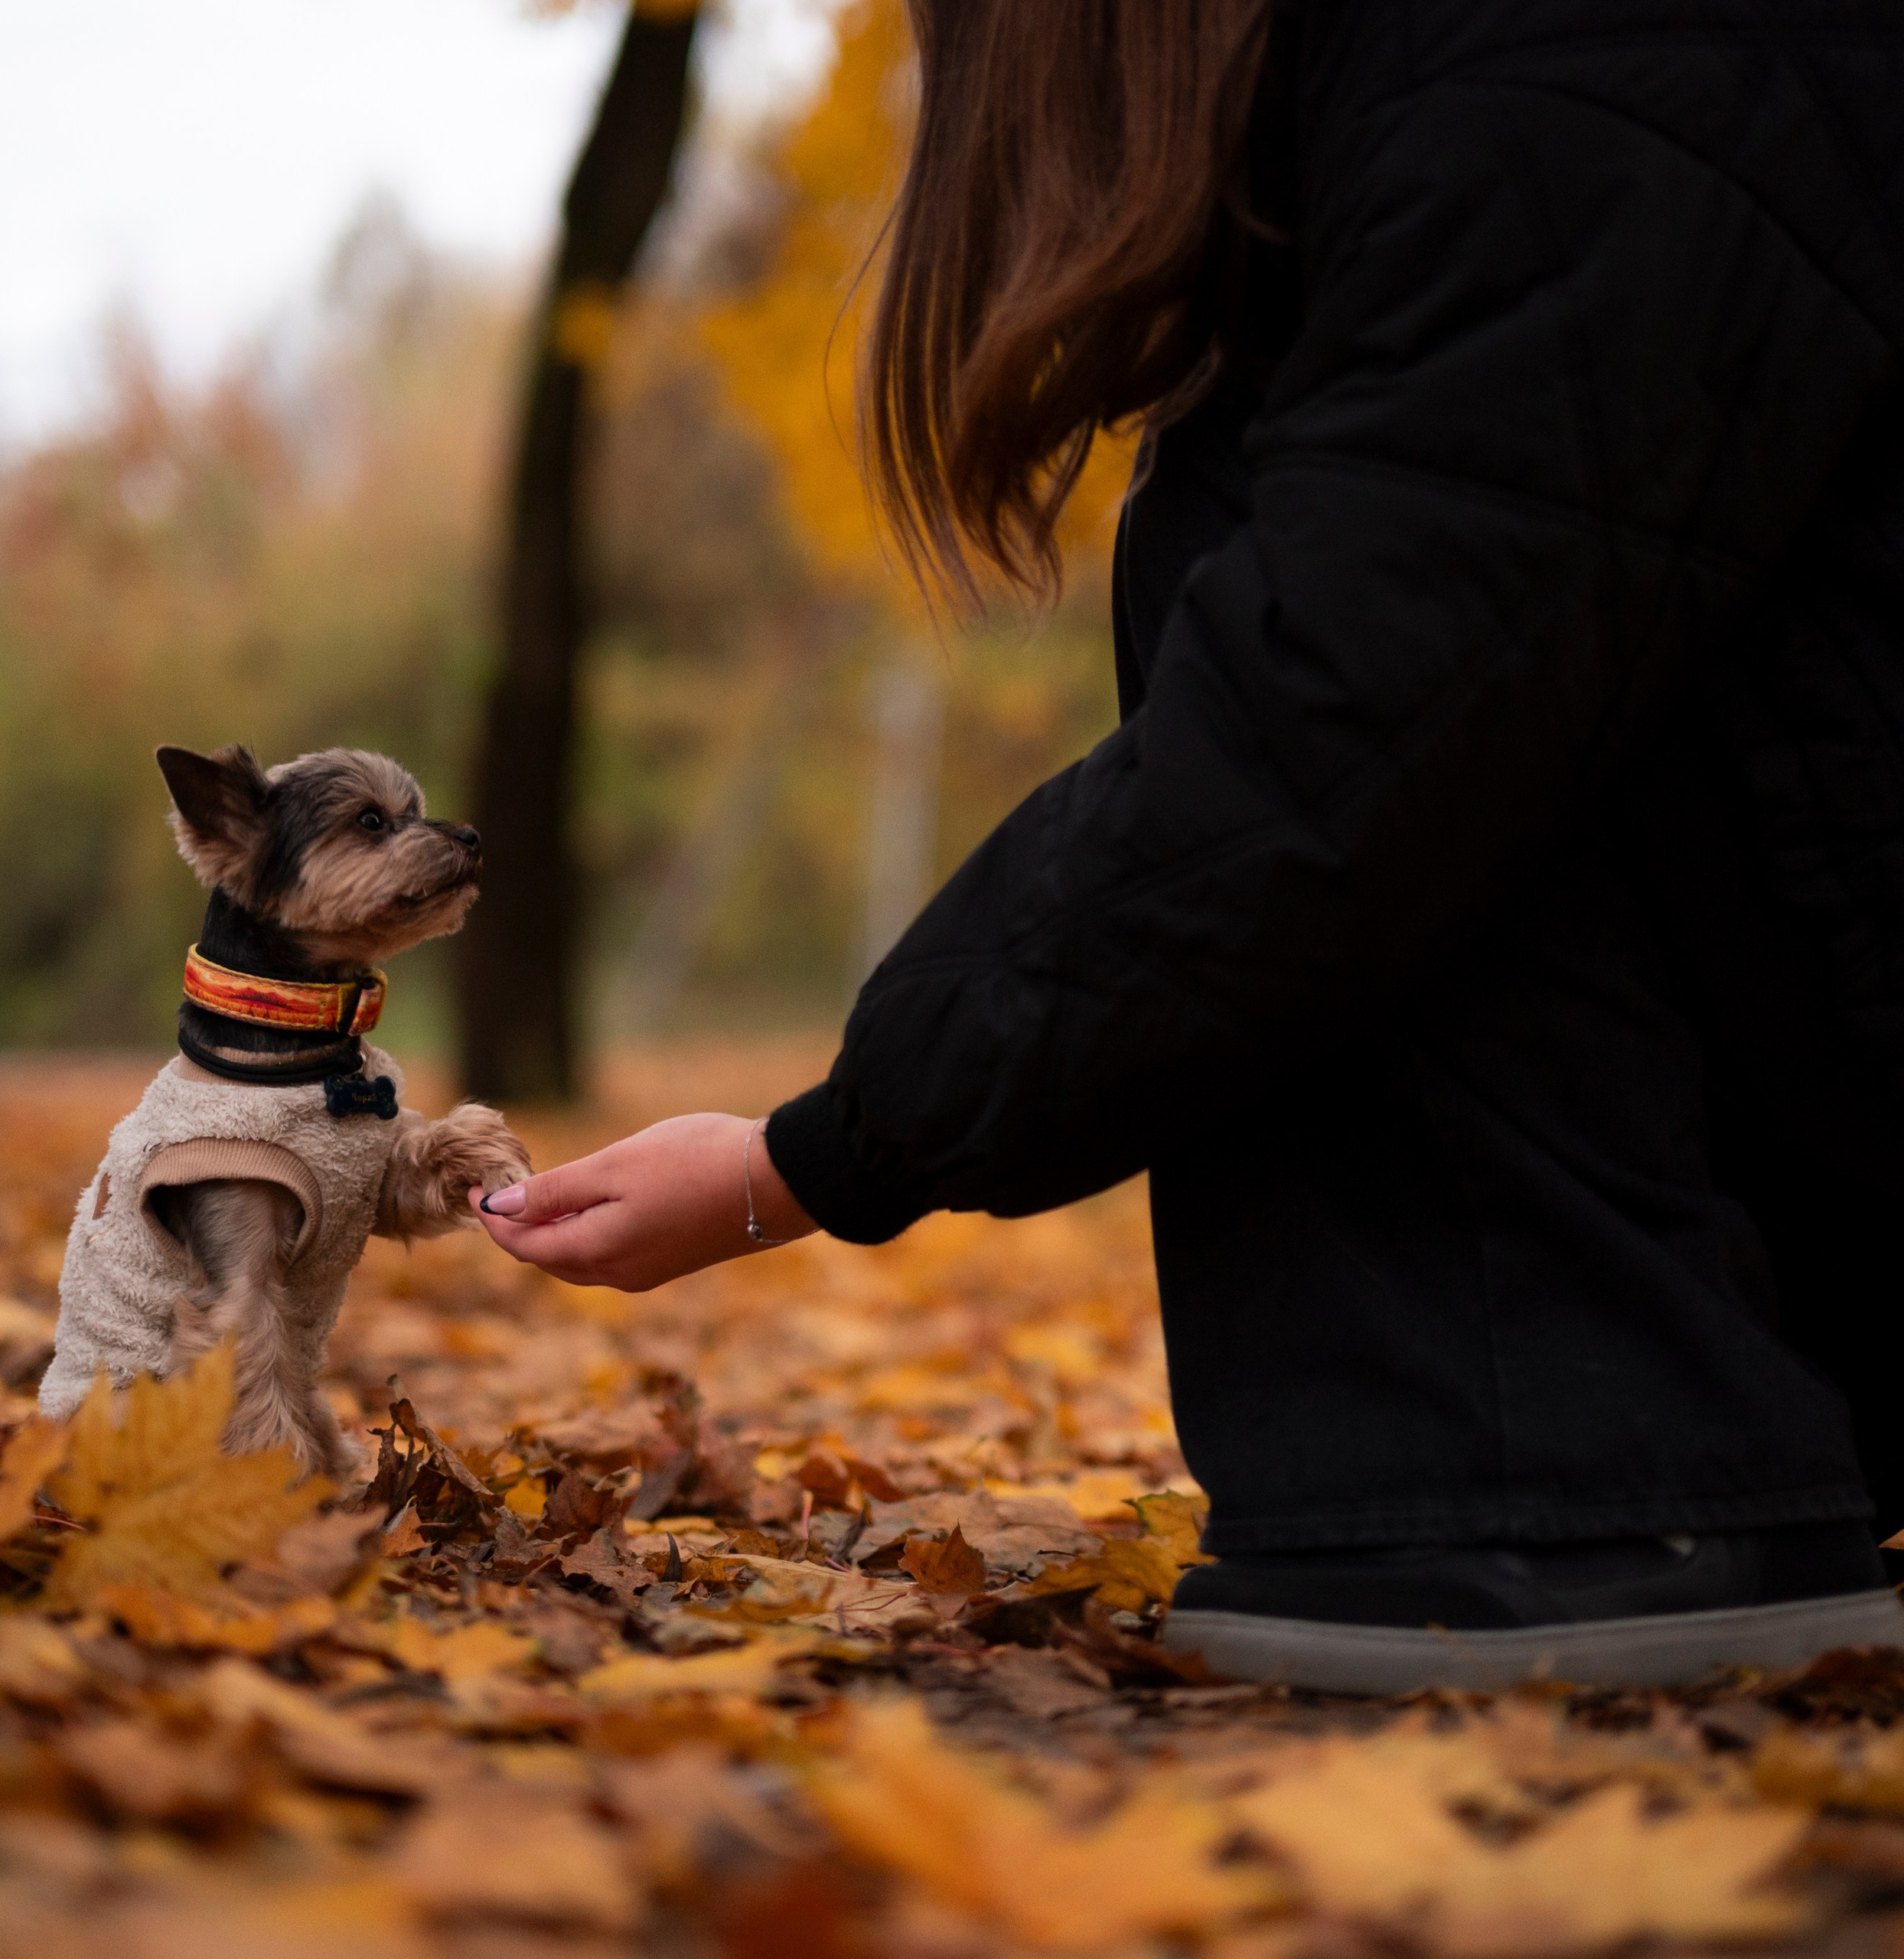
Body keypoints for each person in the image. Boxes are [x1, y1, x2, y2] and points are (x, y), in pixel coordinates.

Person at [475, 0, 1904, 1692]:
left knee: (1271, 543)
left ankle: (1581, 1483)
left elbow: (1326, 753)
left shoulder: (1570, 75)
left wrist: (810, 1158)